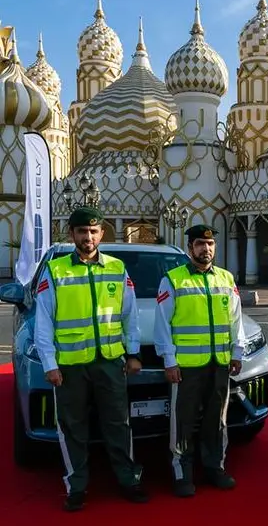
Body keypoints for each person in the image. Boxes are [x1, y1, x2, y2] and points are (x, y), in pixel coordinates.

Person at [34, 206, 148, 512]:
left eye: (94, 231)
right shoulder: (56, 271)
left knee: (118, 424)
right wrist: (50, 363)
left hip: (110, 362)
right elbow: (43, 321)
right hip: (70, 366)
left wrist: (133, 354)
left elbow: (129, 315)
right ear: (72, 234)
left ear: (101, 234)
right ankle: (77, 486)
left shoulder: (116, 268)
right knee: (73, 426)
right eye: (82, 231)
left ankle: (128, 480)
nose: (88, 237)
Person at [154, 224, 245, 498]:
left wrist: (237, 353)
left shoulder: (226, 279)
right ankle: (182, 473)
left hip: (219, 364)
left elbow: (235, 320)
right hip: (187, 367)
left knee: (217, 420)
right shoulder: (173, 280)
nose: (206, 249)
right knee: (184, 421)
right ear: (190, 248)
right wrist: (169, 361)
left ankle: (215, 468)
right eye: (200, 244)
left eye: (210, 245)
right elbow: (162, 325)